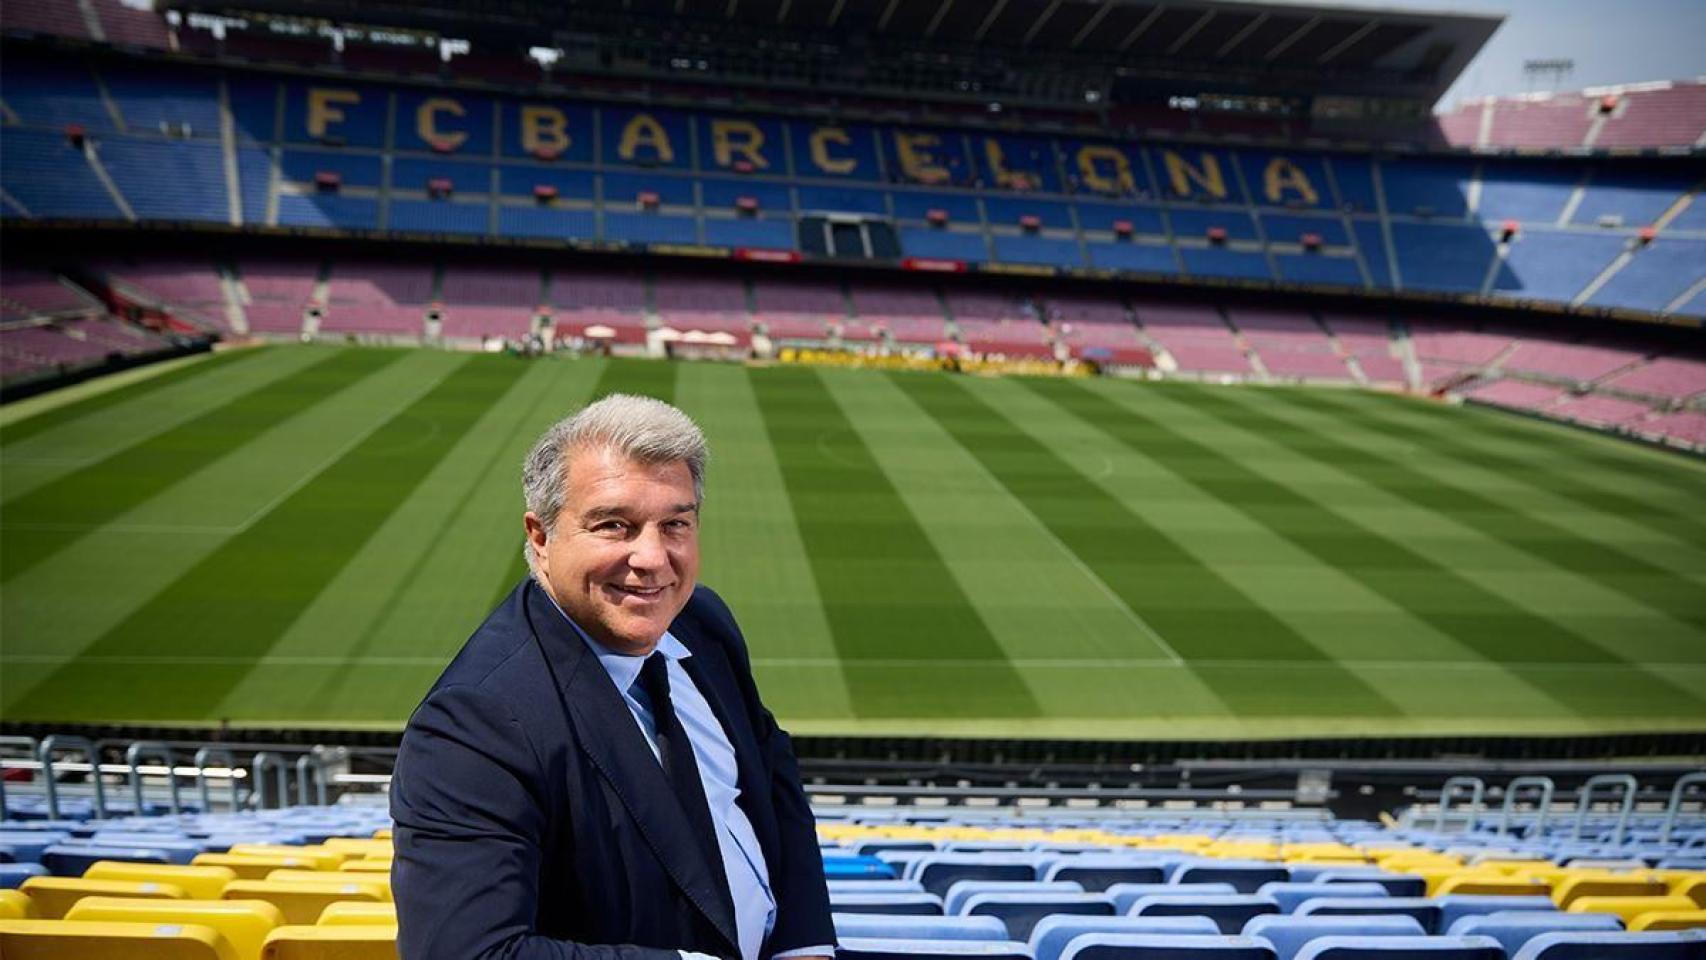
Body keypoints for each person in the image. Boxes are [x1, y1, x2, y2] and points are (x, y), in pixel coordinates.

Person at [390, 394, 836, 960]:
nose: (652, 558)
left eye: (675, 524)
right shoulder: (474, 724)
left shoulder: (702, 622)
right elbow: (465, 954)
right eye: (614, 525)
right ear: (540, 536)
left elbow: (772, 775)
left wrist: (805, 945)